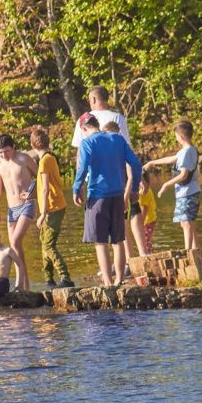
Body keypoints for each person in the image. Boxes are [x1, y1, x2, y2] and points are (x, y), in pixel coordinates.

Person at [72, 115, 143, 286]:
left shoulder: (87, 143)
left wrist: (76, 189)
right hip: (118, 196)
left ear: (83, 129)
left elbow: (82, 170)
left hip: (98, 196)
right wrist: (134, 189)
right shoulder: (117, 138)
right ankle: (119, 280)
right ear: (97, 124)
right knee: (118, 240)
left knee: (100, 242)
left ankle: (108, 282)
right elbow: (136, 165)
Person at [0, 133, 37, 290]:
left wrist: (31, 191)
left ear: (13, 146)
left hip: (27, 204)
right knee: (15, 247)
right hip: (12, 209)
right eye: (0, 152)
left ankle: (20, 284)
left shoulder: (24, 159)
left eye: (7, 151)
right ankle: (25, 286)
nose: (4, 155)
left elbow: (42, 177)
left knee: (15, 242)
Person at [29, 128, 73, 289]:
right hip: (55, 206)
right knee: (44, 241)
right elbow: (43, 188)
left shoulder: (44, 161)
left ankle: (65, 276)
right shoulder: (52, 157)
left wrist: (43, 213)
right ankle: (48, 278)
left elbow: (46, 188)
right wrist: (29, 196)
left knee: (48, 245)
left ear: (32, 146)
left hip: (52, 208)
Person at [147, 120, 200, 250]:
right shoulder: (189, 150)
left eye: (176, 136)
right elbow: (170, 159)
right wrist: (152, 162)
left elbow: (184, 175)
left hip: (187, 192)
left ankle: (188, 251)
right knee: (189, 222)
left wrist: (166, 184)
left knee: (186, 223)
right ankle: (195, 249)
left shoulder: (187, 152)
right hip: (191, 191)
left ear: (180, 136)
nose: (176, 138)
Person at [104, 120, 148, 259]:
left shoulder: (121, 148)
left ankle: (140, 255)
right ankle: (132, 258)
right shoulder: (116, 149)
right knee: (125, 223)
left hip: (125, 193)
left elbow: (131, 172)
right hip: (118, 192)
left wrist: (131, 191)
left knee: (129, 221)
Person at [137, 170, 157, 253]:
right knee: (146, 238)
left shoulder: (144, 192)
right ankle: (150, 252)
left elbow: (145, 208)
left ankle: (148, 253)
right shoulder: (148, 190)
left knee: (145, 238)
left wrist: (140, 223)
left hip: (148, 220)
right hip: (151, 218)